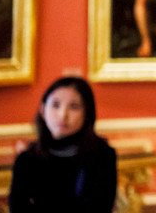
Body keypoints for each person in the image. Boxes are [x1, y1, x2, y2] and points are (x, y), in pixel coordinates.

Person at [8, 76, 117, 213]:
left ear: (87, 113)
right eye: (55, 105)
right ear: (43, 110)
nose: (62, 115)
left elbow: (101, 207)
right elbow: (18, 207)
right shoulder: (27, 159)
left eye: (74, 107)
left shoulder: (102, 155)